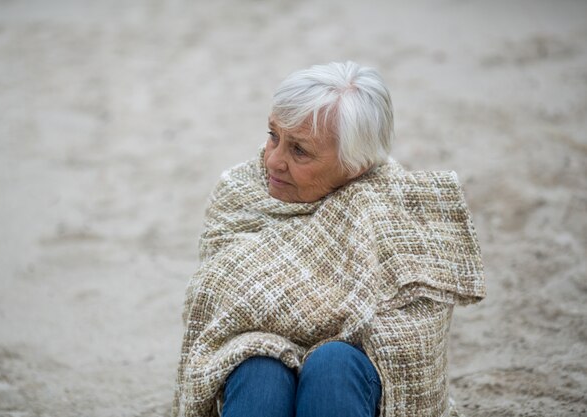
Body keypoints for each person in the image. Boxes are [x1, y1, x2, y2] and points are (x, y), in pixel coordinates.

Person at [171, 61, 485, 417]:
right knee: (259, 368)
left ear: (356, 167)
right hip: (253, 366)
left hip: (355, 381)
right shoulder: (240, 193)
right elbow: (218, 308)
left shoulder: (403, 213)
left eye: (299, 151)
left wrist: (316, 335)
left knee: (332, 365)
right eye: (274, 135)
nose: (273, 160)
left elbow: (411, 339)